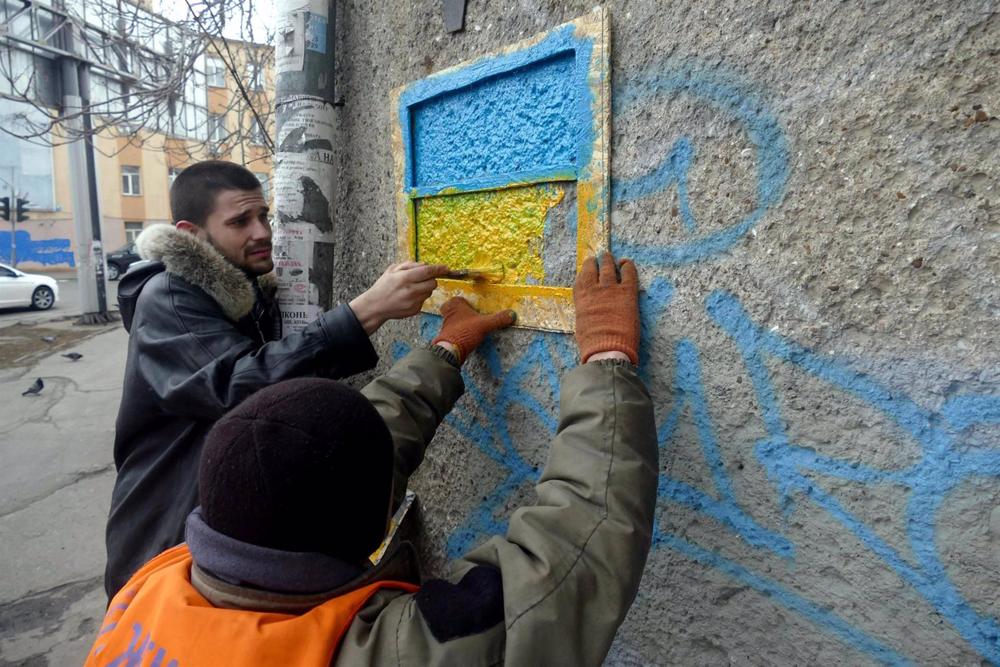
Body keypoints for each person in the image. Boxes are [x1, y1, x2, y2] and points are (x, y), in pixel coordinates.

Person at [87, 252, 658, 666]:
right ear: (371, 524)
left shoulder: (154, 583)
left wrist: (444, 352)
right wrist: (607, 359)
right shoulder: (392, 652)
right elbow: (571, 553)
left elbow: (336, 455)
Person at [105, 160, 449, 599]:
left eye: (263, 216)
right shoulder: (168, 296)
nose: (262, 232)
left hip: (215, 535)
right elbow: (236, 387)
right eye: (240, 221)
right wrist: (367, 311)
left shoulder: (245, 291)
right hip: (164, 539)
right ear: (191, 234)